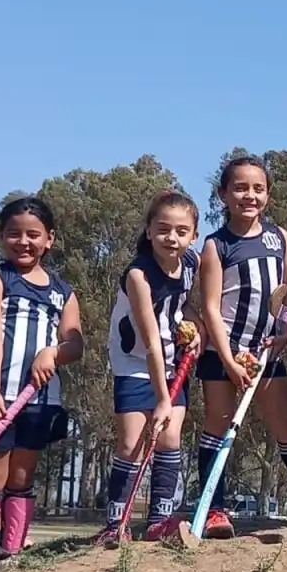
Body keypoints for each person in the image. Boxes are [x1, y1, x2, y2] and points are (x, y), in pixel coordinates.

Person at [0, 197, 84, 572]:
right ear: (1, 236)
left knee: (22, 478)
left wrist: (53, 354)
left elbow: (75, 345)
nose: (23, 241)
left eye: (33, 234)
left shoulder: (63, 291)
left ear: (49, 239)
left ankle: (12, 551)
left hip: (40, 400)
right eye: (14, 233)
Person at [197, 154, 287, 539]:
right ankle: (214, 509)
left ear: (268, 195)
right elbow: (210, 306)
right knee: (218, 423)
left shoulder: (280, 238)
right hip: (224, 354)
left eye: (258, 189)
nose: (250, 196)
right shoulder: (216, 245)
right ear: (224, 194)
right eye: (240, 188)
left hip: (266, 351)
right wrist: (227, 360)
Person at [102, 189, 204, 545]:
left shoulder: (191, 264)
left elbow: (184, 306)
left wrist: (197, 330)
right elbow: (149, 342)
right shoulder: (138, 275)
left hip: (172, 361)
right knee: (132, 443)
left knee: (170, 438)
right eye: (163, 229)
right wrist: (162, 397)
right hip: (136, 362)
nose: (171, 238)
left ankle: (161, 519)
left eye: (181, 231)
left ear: (193, 235)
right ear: (148, 231)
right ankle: (116, 522)